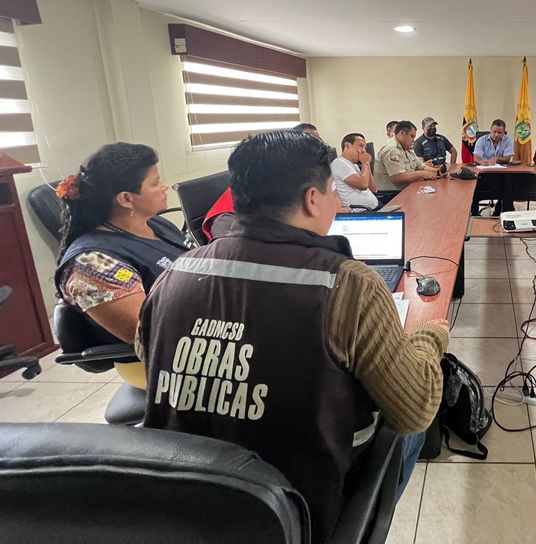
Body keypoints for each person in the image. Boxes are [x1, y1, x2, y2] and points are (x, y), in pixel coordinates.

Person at [138, 130, 448, 543]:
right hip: (293, 513)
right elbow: (415, 411)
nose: (337, 201)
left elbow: (149, 357)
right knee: (410, 421)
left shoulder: (173, 273)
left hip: (182, 506)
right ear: (312, 199)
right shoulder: (348, 283)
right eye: (332, 191)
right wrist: (429, 337)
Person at [54, 143, 193, 388]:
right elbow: (148, 333)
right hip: (158, 361)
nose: (165, 186)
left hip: (198, 328)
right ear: (126, 198)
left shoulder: (156, 225)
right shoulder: (93, 264)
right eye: (155, 183)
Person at [375, 120, 442, 191]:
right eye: (412, 136)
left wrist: (438, 172)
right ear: (402, 133)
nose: (413, 140)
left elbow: (421, 167)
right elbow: (397, 177)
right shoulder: (392, 149)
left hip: (407, 189)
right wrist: (422, 174)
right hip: (393, 194)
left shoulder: (407, 148)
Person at [331, 132, 378, 209]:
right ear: (347, 145)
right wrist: (365, 163)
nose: (364, 150)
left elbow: (373, 189)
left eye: (365, 147)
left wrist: (367, 164)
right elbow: (363, 185)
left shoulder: (355, 166)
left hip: (374, 208)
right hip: (360, 212)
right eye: (361, 146)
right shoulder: (339, 163)